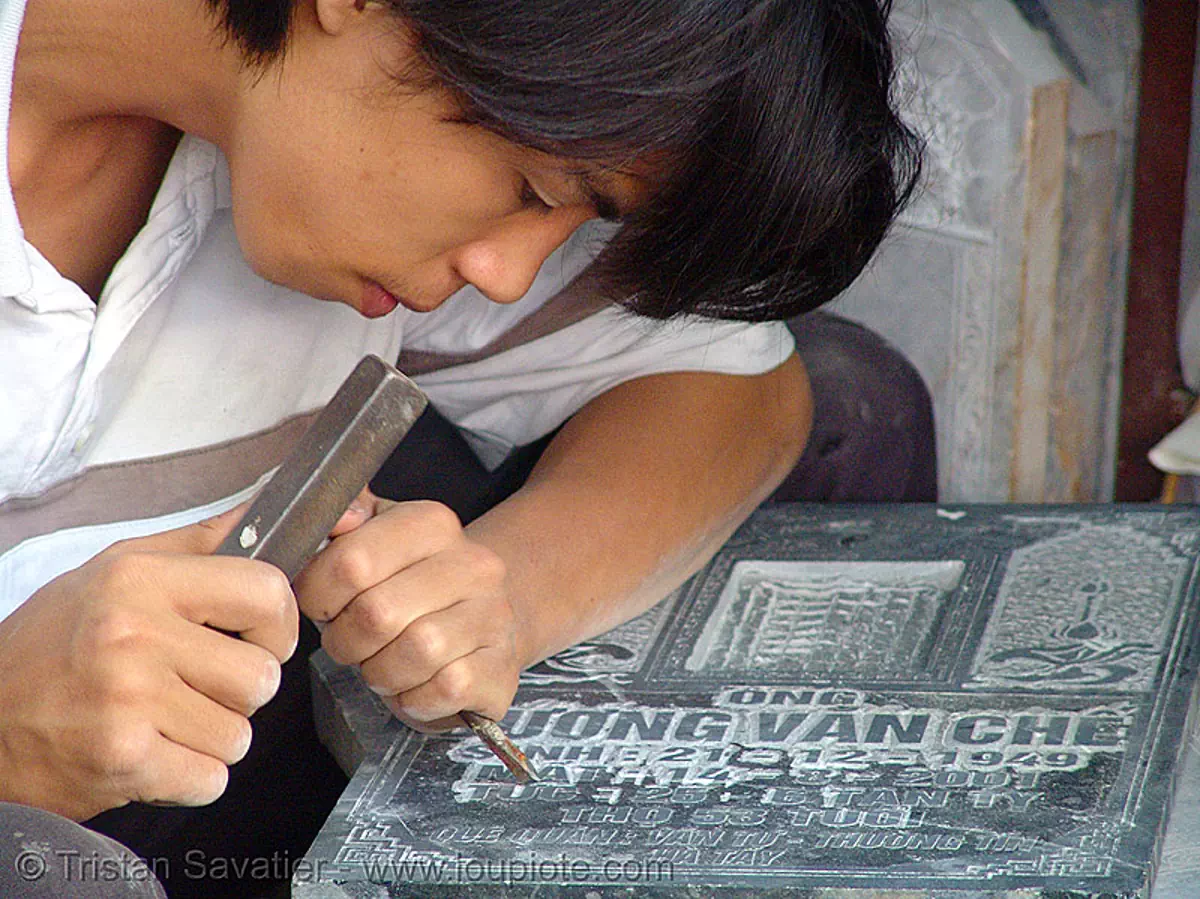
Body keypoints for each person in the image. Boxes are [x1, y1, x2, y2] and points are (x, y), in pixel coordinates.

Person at [0, 0, 925, 895]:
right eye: (531, 190)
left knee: (856, 402)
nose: (507, 274)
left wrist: (503, 594)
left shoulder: (305, 118)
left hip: (216, 781)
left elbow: (743, 392)